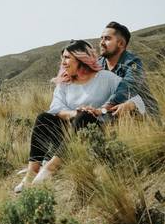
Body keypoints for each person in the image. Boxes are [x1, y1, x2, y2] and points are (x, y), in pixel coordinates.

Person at [14, 39, 146, 193]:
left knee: (84, 116)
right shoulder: (64, 83)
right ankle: (32, 172)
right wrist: (74, 113)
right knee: (43, 118)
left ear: (81, 58)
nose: (63, 62)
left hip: (95, 135)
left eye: (67, 57)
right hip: (67, 136)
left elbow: (136, 98)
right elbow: (55, 109)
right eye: (62, 58)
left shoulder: (106, 78)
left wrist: (125, 105)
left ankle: (51, 168)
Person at [98, 21, 160, 118]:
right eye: (101, 38)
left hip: (143, 112)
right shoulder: (98, 65)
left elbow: (128, 86)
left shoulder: (132, 62)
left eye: (107, 39)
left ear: (121, 43)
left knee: (124, 107)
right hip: (107, 110)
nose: (101, 43)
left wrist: (105, 107)